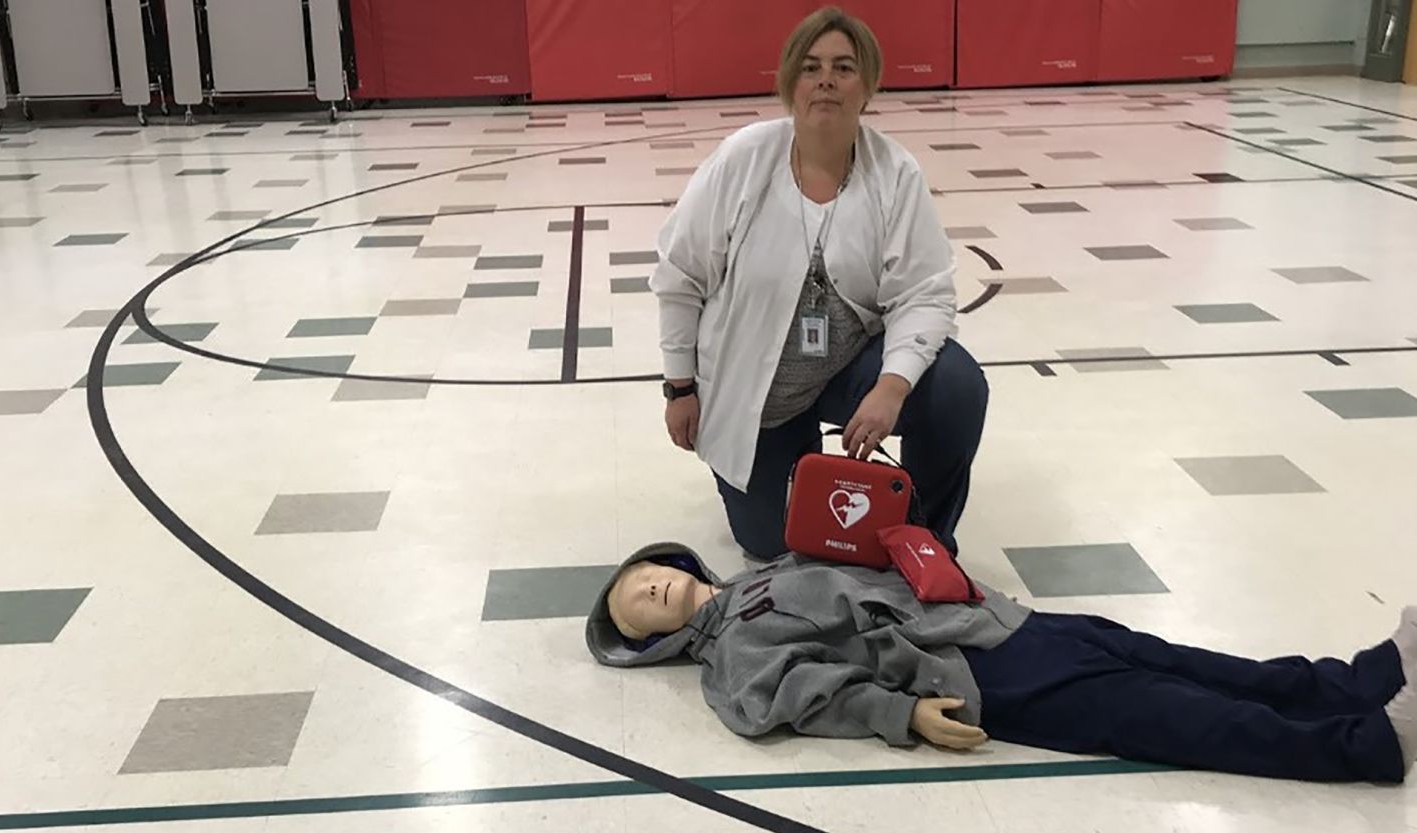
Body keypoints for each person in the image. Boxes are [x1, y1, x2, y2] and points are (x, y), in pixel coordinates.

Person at [586, 544, 1416, 784]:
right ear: (653, 639)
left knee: (1179, 658)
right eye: (640, 604)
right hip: (977, 677)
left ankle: (1361, 677)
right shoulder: (730, 657)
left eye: (646, 576)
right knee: (1170, 712)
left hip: (997, 618)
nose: (651, 587)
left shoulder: (762, 568)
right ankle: (1370, 744)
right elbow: (801, 695)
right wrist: (899, 713)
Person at [651, 7, 987, 561]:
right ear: (789, 84)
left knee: (955, 387)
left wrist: (891, 387)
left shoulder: (894, 174)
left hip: (850, 370)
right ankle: (794, 455)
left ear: (868, 86)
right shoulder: (743, 159)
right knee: (771, 546)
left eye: (843, 67)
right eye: (810, 68)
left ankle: (927, 539)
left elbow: (926, 293)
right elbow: (678, 277)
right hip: (757, 396)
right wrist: (680, 389)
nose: (826, 79)